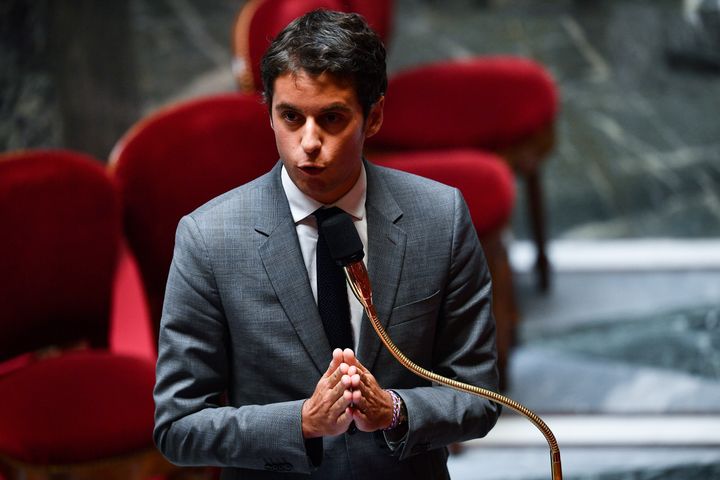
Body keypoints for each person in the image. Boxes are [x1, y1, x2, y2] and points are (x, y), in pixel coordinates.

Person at [153, 9, 500, 479]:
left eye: (332, 118)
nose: (308, 143)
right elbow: (178, 426)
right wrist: (301, 423)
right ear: (268, 112)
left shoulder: (441, 218)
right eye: (290, 117)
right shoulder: (209, 238)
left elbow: (479, 396)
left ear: (373, 117)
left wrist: (396, 410)